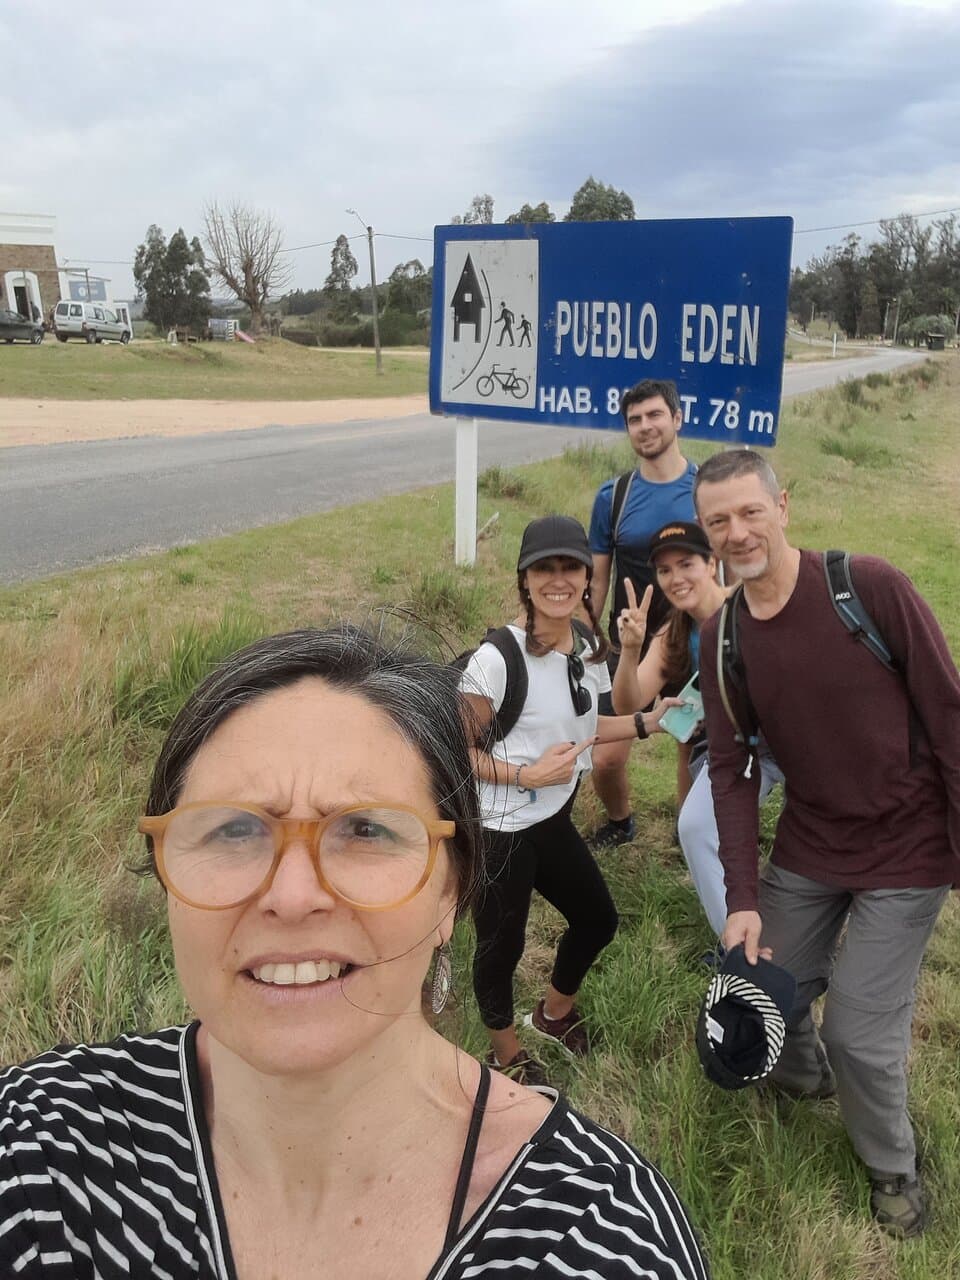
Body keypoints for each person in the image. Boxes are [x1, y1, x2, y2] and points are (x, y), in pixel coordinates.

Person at [693, 449, 960, 1238]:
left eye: (750, 512)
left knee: (860, 1032)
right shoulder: (721, 638)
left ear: (784, 506)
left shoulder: (867, 588)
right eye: (719, 521)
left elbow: (948, 716)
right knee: (754, 991)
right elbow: (731, 767)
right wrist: (742, 899)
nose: (738, 533)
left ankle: (893, 1170)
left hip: (908, 848)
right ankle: (802, 1073)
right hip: (812, 842)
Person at [459, 516, 680, 1085]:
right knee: (500, 947)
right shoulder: (496, 659)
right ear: (524, 580)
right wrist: (525, 775)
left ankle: (553, 1014)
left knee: (597, 919)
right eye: (544, 568)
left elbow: (589, 725)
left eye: (570, 568)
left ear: (587, 578)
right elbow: (457, 752)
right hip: (500, 825)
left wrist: (645, 722)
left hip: (550, 818)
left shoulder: (586, 648)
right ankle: (505, 1054)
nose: (558, 580)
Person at [611, 520, 783, 940]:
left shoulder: (750, 606)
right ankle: (737, 944)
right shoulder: (675, 632)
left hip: (788, 739)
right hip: (731, 752)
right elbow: (628, 704)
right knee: (694, 827)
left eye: (686, 563)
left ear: (711, 563)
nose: (675, 578)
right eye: (665, 570)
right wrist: (630, 652)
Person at [587, 379, 698, 847]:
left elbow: (729, 574)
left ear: (677, 418)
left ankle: (687, 833)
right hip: (629, 643)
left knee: (690, 747)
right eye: (635, 419)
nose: (645, 426)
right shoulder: (613, 497)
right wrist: (591, 640)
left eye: (655, 415)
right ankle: (620, 822)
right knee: (605, 758)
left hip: (694, 638)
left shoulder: (707, 488)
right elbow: (597, 578)